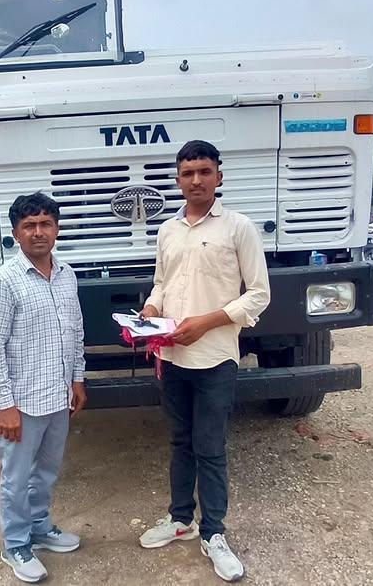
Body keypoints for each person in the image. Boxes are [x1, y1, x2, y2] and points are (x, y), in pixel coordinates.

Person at [138, 140, 270, 582]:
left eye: (204, 171)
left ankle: (214, 533)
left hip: (215, 358)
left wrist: (208, 322)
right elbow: (161, 283)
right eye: (188, 173)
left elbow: (258, 295)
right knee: (180, 441)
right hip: (172, 355)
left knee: (210, 448)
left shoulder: (239, 228)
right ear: (178, 180)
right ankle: (181, 520)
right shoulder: (168, 230)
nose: (196, 180)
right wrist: (151, 309)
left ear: (219, 177)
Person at [0, 192, 87, 584]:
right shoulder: (3, 283)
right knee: (17, 478)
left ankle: (40, 528)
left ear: (57, 229)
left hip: (57, 397)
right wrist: (4, 404)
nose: (38, 232)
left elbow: (75, 331)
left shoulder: (66, 274)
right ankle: (16, 545)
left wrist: (77, 379)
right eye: (29, 226)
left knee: (47, 472)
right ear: (15, 233)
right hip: (21, 402)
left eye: (45, 224)